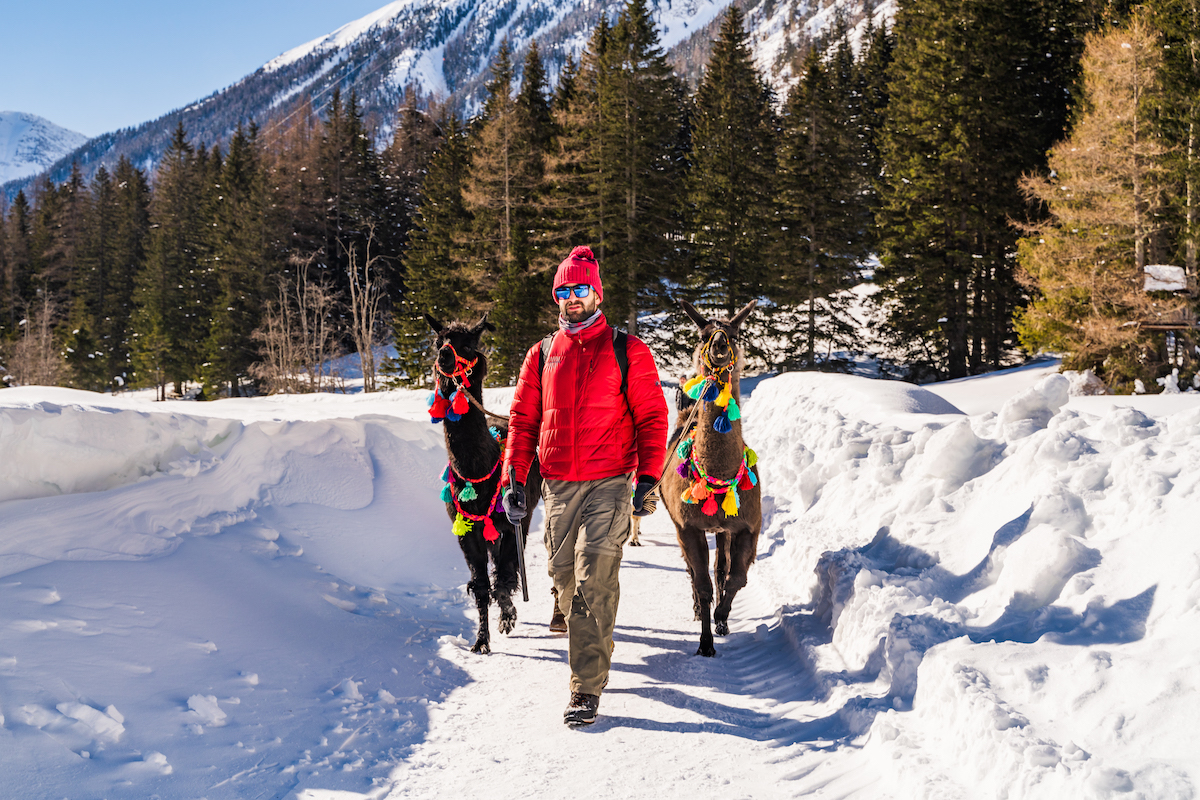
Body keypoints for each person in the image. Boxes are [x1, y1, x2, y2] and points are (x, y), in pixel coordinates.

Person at [503, 245, 668, 726]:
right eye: (563, 291)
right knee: (563, 576)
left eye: (580, 289)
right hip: (557, 485)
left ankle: (585, 688)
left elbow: (653, 417)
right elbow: (522, 419)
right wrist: (515, 476)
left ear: (596, 293)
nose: (571, 298)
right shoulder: (542, 354)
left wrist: (649, 477)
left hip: (610, 482)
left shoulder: (626, 348)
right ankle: (586, 642)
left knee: (593, 575)